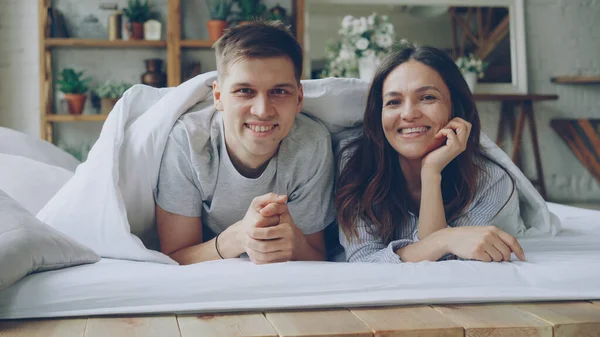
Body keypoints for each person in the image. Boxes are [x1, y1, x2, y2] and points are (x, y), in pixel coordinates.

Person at [155, 21, 335, 265]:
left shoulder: (311, 144)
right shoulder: (188, 141)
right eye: (244, 91)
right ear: (218, 97)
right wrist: (238, 238)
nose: (262, 111)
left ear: (299, 98)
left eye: (279, 91)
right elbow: (174, 257)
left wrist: (293, 242)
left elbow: (317, 257)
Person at [335, 44, 526, 264]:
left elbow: (444, 266)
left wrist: (431, 173)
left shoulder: (491, 179)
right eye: (394, 102)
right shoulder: (355, 163)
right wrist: (443, 240)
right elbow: (363, 262)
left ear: (455, 107)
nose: (408, 114)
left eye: (427, 98)